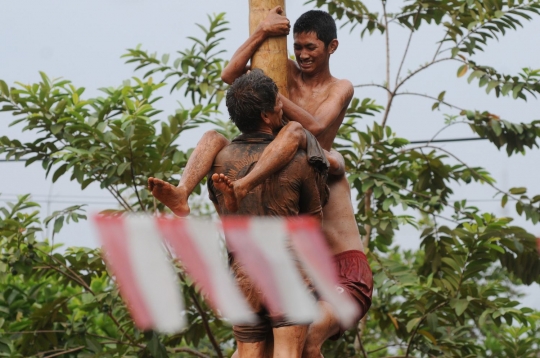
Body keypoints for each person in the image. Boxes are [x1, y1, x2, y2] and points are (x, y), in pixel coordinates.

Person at [149, 9, 373, 356]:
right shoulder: (283, 71)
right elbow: (230, 74)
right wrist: (262, 32)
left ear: (332, 47)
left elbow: (312, 128)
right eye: (297, 47)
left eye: (310, 47)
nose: (302, 54)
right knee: (256, 348)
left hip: (338, 259)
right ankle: (182, 192)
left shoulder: (338, 91)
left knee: (307, 339)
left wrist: (271, 100)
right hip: (288, 255)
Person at [208, 69, 328, 358]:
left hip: (243, 273)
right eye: (277, 103)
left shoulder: (218, 161)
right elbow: (313, 222)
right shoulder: (299, 160)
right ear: (265, 115)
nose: (282, 108)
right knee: (287, 352)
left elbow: (223, 214)